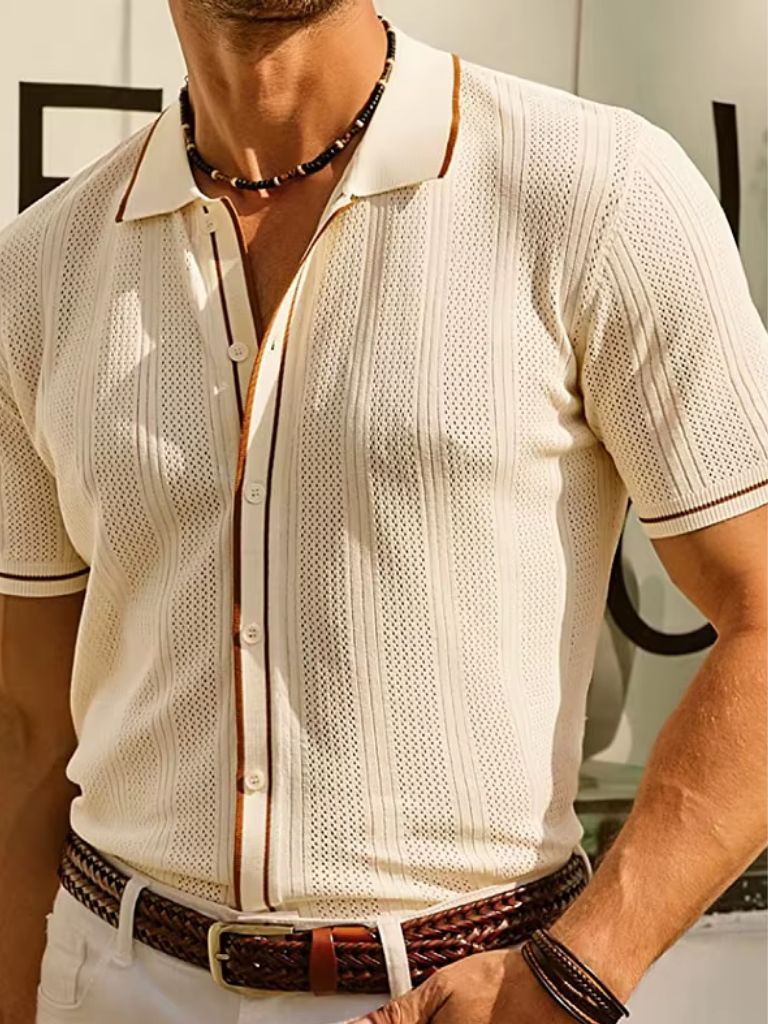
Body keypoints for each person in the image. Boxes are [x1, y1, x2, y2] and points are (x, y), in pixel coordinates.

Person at [1, 1, 766, 1022]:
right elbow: (27, 730)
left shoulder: (594, 189)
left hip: (463, 991)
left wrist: (578, 972)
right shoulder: (40, 268)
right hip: (107, 980)